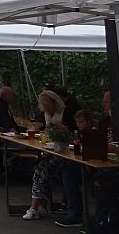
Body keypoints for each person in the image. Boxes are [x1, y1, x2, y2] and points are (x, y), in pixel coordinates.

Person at [22, 90, 67, 220]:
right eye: (44, 106)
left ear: (54, 103)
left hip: (63, 151)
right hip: (50, 149)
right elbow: (46, 131)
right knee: (39, 171)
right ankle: (38, 206)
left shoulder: (64, 114)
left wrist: (60, 127)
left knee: (45, 172)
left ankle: (37, 207)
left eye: (47, 105)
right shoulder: (46, 115)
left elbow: (72, 132)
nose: (46, 108)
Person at [54, 109, 96, 227]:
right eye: (77, 122)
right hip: (81, 160)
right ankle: (70, 206)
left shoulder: (93, 133)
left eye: (81, 122)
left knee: (68, 171)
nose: (79, 125)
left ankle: (75, 214)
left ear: (88, 122)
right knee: (62, 169)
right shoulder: (79, 133)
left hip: (91, 164)